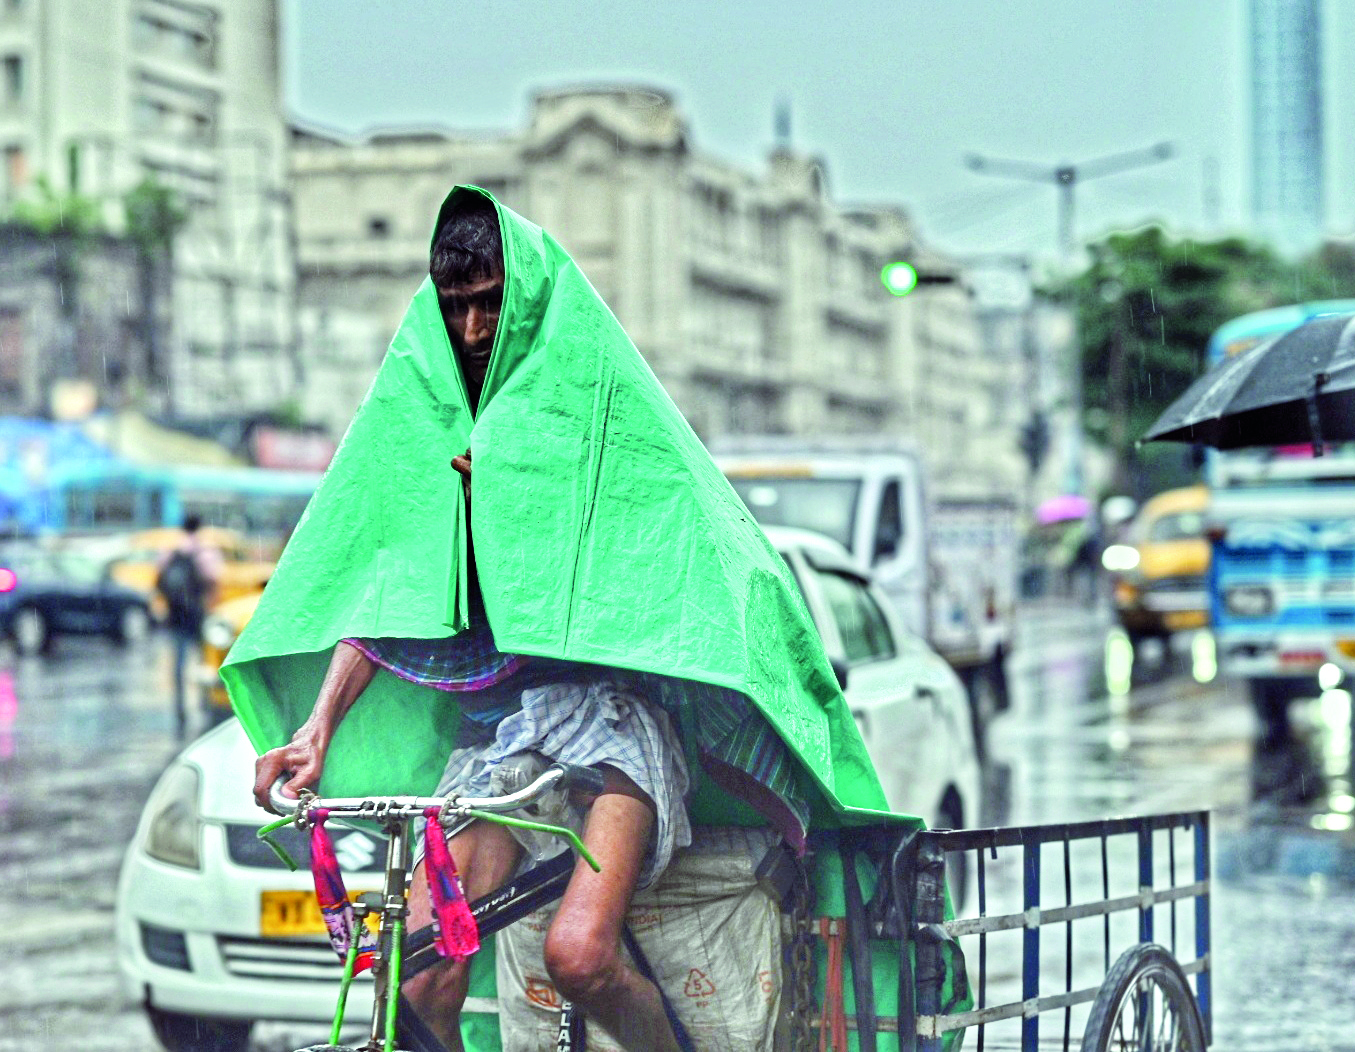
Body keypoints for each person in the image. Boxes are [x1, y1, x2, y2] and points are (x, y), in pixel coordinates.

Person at [227, 187, 906, 1050]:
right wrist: (317, 728)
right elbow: (389, 595)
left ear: (525, 303)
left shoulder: (597, 410)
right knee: (422, 974)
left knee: (578, 955)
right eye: (455, 308)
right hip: (498, 742)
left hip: (609, 730)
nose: (473, 332)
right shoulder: (431, 427)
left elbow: (676, 548)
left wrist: (514, 497)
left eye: (489, 305)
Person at [156, 514, 221, 726]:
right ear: (199, 527)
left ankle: (179, 708)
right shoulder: (205, 552)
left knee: (179, 664)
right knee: (205, 661)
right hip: (197, 614)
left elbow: (159, 580)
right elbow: (213, 580)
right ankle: (205, 703)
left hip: (176, 616)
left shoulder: (170, 551)